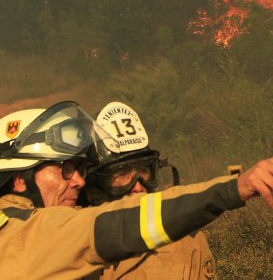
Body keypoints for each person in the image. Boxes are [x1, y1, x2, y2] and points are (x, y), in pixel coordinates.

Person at [0, 100, 273, 280]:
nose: (75, 181)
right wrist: (234, 188)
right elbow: (123, 226)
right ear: (19, 179)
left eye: (79, 170)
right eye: (65, 170)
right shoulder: (35, 233)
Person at [83, 101, 214, 279]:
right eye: (121, 174)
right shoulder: (66, 245)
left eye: (143, 171)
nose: (137, 187)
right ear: (93, 186)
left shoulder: (185, 241)